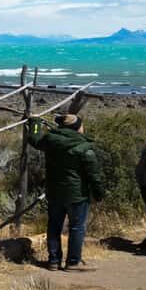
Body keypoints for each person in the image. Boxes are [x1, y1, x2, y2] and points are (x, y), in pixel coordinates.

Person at [27, 114, 104, 271]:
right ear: (77, 128)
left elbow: (34, 138)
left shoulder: (50, 140)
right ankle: (73, 262)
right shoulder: (83, 147)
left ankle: (54, 261)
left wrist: (34, 122)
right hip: (77, 194)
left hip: (54, 192)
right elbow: (94, 175)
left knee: (54, 225)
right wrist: (99, 193)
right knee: (76, 227)